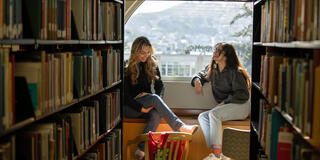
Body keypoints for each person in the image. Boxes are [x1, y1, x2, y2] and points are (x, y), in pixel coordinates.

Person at [124, 36, 198, 160]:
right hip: (130, 107)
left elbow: (160, 86)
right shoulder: (126, 67)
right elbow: (124, 96)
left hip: (148, 103)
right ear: (135, 51)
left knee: (156, 115)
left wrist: (154, 102)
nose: (145, 56)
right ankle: (180, 127)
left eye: (148, 52)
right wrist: (142, 108)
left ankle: (140, 150)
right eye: (142, 53)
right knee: (153, 99)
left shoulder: (152, 63)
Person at [191, 42, 251, 160]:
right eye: (214, 49)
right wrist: (197, 81)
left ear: (226, 55)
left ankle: (216, 153)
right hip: (226, 107)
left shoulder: (235, 71)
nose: (214, 52)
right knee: (203, 116)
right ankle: (216, 152)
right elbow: (200, 75)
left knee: (214, 114)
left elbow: (243, 94)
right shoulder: (212, 69)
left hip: (241, 105)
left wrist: (224, 102)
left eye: (218, 50)